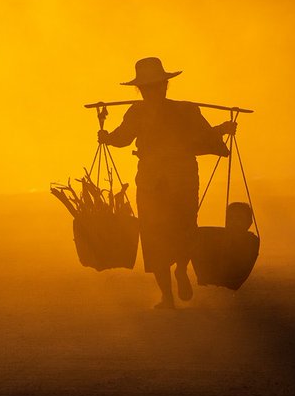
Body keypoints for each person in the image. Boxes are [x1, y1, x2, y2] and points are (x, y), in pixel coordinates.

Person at [97, 57, 236, 309]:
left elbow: (123, 138)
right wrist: (107, 137)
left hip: (165, 181)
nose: (152, 91)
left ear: (163, 86)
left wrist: (107, 137)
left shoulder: (173, 110)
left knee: (167, 234)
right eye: (148, 88)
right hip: (168, 181)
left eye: (155, 86)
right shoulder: (172, 111)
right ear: (144, 89)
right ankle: (173, 284)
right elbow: (123, 138)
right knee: (168, 233)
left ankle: (174, 284)